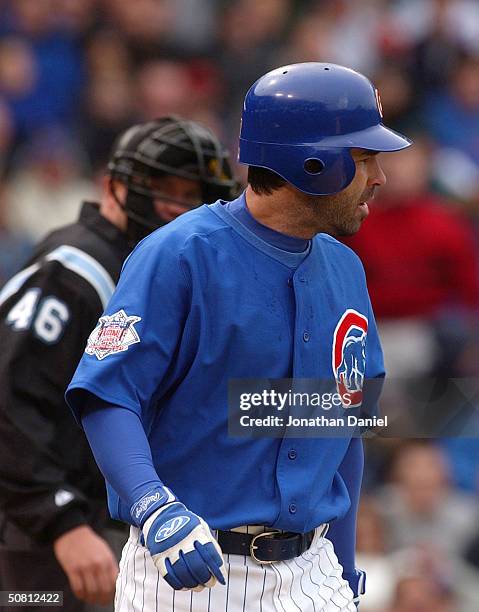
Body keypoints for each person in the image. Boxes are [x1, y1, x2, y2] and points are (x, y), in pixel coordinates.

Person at [66, 63, 411, 611]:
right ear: (312, 163)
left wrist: (343, 565)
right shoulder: (180, 254)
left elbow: (344, 422)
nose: (379, 178)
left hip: (311, 570)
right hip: (191, 569)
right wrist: (155, 508)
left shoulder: (345, 268)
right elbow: (108, 395)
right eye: (365, 158)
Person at [0, 115, 237, 612]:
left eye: (195, 195)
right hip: (39, 537)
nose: (181, 209)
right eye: (165, 190)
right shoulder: (75, 269)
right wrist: (60, 522)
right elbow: (8, 402)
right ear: (113, 187)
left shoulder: (173, 274)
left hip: (122, 525)